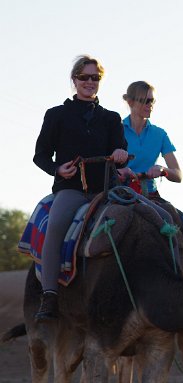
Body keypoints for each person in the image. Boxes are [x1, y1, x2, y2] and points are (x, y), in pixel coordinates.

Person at [32, 55, 128, 321]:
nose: (89, 82)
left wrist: (120, 152)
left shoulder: (111, 118)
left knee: (137, 220)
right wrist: (57, 169)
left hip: (105, 190)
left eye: (95, 78)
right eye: (84, 77)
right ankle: (49, 294)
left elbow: (120, 148)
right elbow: (40, 156)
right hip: (71, 188)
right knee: (56, 225)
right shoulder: (57, 115)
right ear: (74, 80)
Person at [119, 81, 181, 199]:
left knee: (177, 217)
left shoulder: (160, 134)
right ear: (130, 102)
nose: (150, 105)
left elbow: (178, 175)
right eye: (145, 101)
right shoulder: (117, 130)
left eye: (152, 101)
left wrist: (162, 169)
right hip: (121, 193)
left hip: (150, 195)